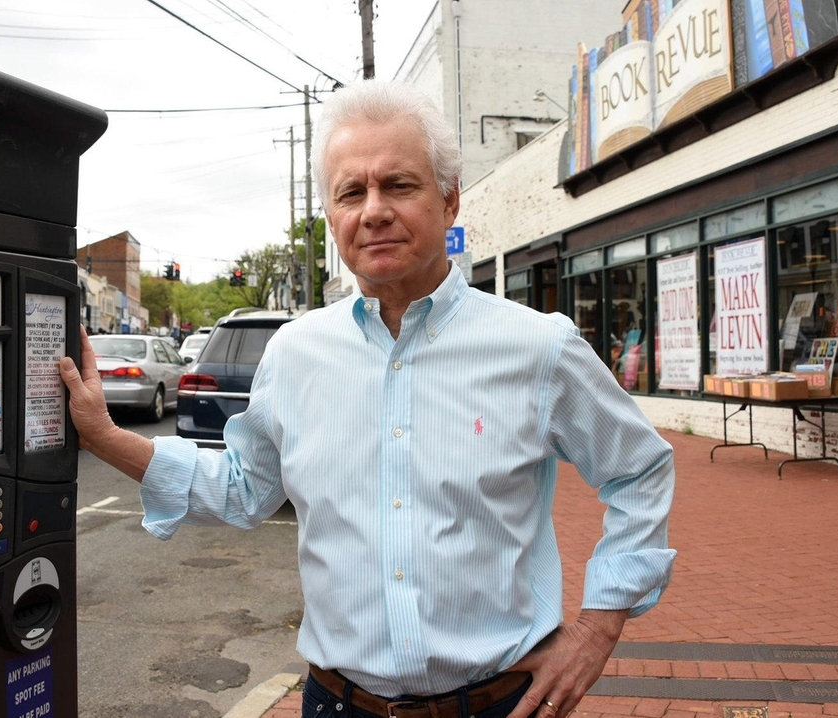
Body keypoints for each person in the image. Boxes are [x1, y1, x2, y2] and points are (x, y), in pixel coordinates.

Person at [59, 81, 676, 718]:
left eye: (399, 185)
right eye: (351, 192)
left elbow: (640, 470)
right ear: (332, 216)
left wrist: (597, 629)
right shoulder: (297, 353)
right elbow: (244, 488)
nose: (373, 210)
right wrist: (104, 436)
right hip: (338, 704)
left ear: (450, 199)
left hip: (498, 704)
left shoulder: (536, 347)